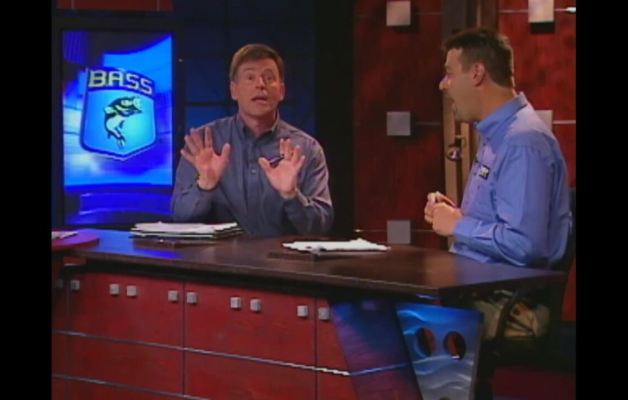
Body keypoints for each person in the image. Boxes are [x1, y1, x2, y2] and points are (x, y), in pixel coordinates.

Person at [423, 27, 573, 399]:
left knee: (392, 322)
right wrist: (458, 217)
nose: (443, 85)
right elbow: (504, 225)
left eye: (449, 73)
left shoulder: (523, 141)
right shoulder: (498, 136)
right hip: (481, 290)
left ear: (477, 73)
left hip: (508, 305)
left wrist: (460, 226)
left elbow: (527, 244)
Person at [171, 44, 333, 236]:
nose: (260, 85)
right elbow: (179, 217)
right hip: (220, 255)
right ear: (233, 90)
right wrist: (204, 186)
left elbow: (321, 227)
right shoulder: (204, 144)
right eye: (250, 77)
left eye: (269, 78)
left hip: (282, 255)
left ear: (281, 91)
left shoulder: (306, 149)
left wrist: (292, 196)